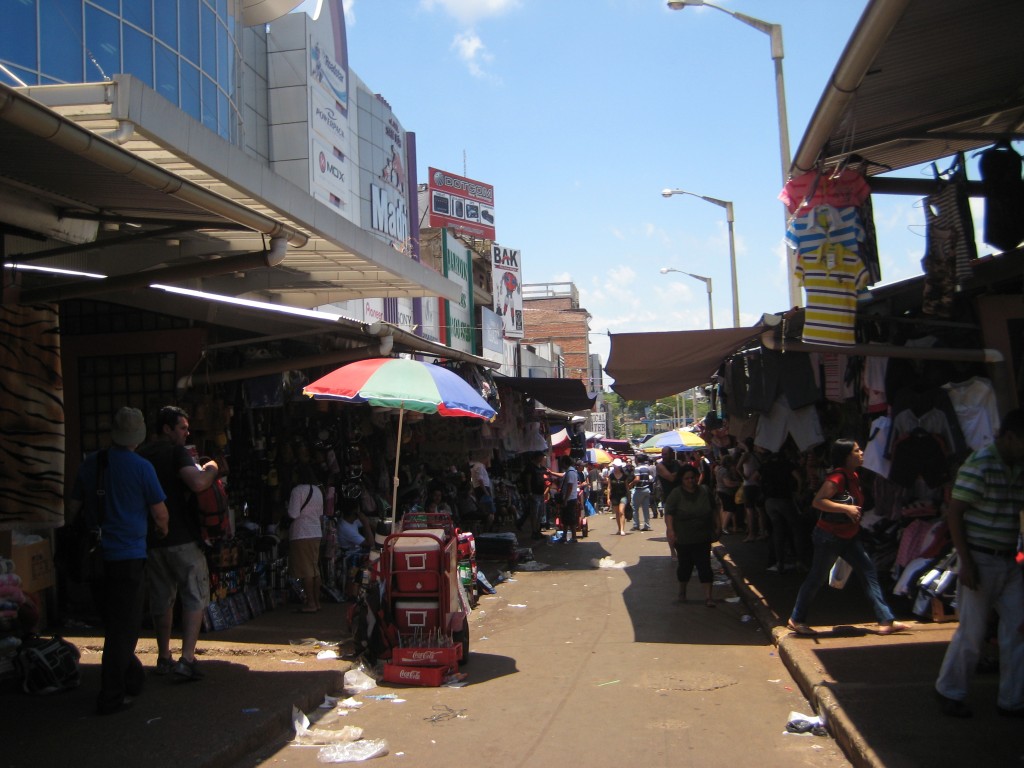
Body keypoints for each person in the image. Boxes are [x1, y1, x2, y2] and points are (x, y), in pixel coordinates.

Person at [69, 407, 169, 715]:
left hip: (96, 558)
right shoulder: (142, 467)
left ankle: (133, 677)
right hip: (129, 556)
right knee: (123, 629)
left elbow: (71, 509)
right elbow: (160, 514)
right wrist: (161, 532)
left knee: (113, 624)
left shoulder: (91, 464)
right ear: (138, 437)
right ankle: (111, 694)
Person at [934, 409, 1024, 718]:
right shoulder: (981, 464)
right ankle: (950, 691)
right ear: (1010, 437)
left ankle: (1012, 700)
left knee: (1018, 630)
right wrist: (967, 563)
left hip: (1010, 559)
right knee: (972, 632)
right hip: (981, 558)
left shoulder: (1018, 466)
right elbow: (955, 513)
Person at [786, 439, 908, 637]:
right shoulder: (838, 477)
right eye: (857, 451)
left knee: (868, 571)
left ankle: (886, 620)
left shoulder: (853, 476)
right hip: (830, 537)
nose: (861, 453)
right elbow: (818, 501)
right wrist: (846, 508)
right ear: (846, 456)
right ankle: (797, 618)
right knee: (816, 578)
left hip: (848, 536)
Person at [138, 405, 219, 682]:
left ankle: (163, 656)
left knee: (162, 599)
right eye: (182, 428)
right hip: (182, 538)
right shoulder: (176, 452)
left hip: (152, 540)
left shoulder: (140, 455)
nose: (186, 433)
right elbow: (197, 483)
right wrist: (212, 468)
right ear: (167, 429)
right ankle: (186, 658)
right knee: (194, 596)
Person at [664, 464, 721, 606]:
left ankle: (708, 597)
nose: (690, 481)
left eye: (693, 478)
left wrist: (719, 526)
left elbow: (714, 510)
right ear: (682, 480)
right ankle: (682, 591)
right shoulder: (676, 494)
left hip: (703, 535)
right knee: (685, 566)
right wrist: (671, 530)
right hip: (683, 537)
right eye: (687, 478)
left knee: (704, 566)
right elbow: (669, 513)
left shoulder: (705, 491)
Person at [759, 446, 807, 574]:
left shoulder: (765, 465)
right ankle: (800, 561)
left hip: (770, 501)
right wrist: (799, 490)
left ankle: (780, 562)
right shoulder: (787, 464)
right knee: (796, 529)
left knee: (777, 531)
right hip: (784, 499)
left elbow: (755, 478)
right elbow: (799, 478)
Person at [287, 463, 324, 613]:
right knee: (315, 569)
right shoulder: (318, 491)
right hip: (316, 532)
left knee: (307, 570)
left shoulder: (297, 491)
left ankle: (311, 603)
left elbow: (293, 514)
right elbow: (321, 514)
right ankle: (317, 601)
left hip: (301, 533)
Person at [736, 438, 767, 542]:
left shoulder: (746, 455)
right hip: (758, 484)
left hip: (749, 485)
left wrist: (744, 477)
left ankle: (752, 534)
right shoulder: (758, 455)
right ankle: (763, 532)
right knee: (760, 509)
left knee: (750, 510)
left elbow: (738, 467)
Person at [714, 454, 743, 534]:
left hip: (720, 490)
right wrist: (738, 483)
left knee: (724, 509)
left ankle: (726, 526)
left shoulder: (718, 469)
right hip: (726, 491)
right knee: (731, 509)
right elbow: (728, 483)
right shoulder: (725, 471)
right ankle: (724, 527)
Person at [556, 455, 581, 543]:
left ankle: (573, 537)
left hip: (569, 499)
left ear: (564, 463)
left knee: (570, 519)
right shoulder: (571, 471)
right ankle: (564, 536)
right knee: (566, 519)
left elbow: (570, 487)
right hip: (570, 498)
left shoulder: (570, 472)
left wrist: (565, 499)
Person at [607, 458, 633, 536]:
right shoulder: (611, 476)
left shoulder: (624, 476)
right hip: (614, 496)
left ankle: (622, 529)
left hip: (623, 495)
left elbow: (627, 487)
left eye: (618, 466)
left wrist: (629, 496)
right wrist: (608, 498)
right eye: (616, 466)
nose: (617, 467)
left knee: (621, 511)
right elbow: (609, 487)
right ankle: (619, 528)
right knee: (617, 513)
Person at [631, 454, 655, 532]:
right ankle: (647, 525)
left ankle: (636, 525)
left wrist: (630, 484)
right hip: (647, 489)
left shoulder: (637, 468)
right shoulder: (646, 468)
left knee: (635, 508)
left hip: (639, 489)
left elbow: (637, 479)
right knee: (645, 508)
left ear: (637, 460)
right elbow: (650, 478)